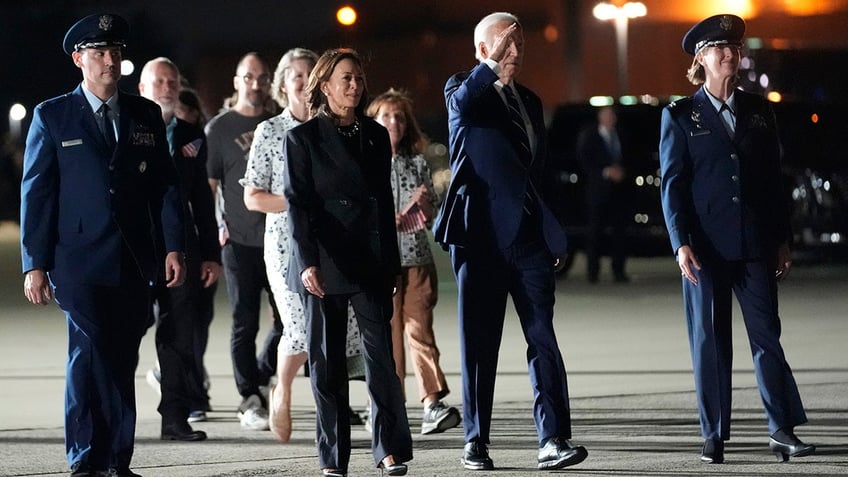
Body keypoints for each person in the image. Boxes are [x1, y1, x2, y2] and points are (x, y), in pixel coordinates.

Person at [20, 13, 185, 477]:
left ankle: (116, 458)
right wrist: (34, 263)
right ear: (79, 60)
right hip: (77, 261)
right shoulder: (52, 115)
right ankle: (85, 456)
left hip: (133, 260)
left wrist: (175, 247)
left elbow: (166, 188)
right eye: (99, 53)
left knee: (122, 354)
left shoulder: (144, 115)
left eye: (115, 52)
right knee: (91, 352)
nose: (110, 61)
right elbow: (37, 193)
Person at [432, 11, 588, 472]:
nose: (515, 52)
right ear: (482, 49)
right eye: (506, 44)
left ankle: (553, 438)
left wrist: (551, 229)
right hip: (479, 238)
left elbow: (539, 173)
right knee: (480, 342)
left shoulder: (532, 101)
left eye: (519, 44)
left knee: (543, 337)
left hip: (527, 239)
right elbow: (461, 106)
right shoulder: (464, 91)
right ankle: (475, 441)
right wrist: (489, 65)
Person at [659, 14, 815, 464]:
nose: (732, 55)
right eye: (721, 49)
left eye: (736, 48)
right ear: (702, 58)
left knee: (768, 337)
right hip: (704, 249)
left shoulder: (759, 109)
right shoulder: (679, 115)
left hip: (753, 245)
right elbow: (673, 184)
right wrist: (680, 242)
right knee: (710, 342)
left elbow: (771, 181)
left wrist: (782, 238)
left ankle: (781, 429)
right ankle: (714, 432)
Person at [283, 48, 412, 477]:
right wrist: (306, 262)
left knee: (382, 365)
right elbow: (299, 206)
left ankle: (389, 450)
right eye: (345, 79)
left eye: (358, 77)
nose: (355, 85)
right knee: (327, 366)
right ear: (324, 86)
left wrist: (391, 263)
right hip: (324, 261)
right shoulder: (302, 139)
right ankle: (333, 458)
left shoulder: (375, 135)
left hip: (370, 261)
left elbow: (383, 201)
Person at [241, 47, 364, 443]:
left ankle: (332, 405)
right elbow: (253, 196)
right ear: (282, 85)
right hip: (286, 243)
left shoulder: (336, 129)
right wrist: (299, 203)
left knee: (342, 326)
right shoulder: (270, 131)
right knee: (298, 324)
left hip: (334, 240)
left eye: (312, 73)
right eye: (296, 74)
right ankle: (284, 389)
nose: (305, 79)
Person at [366, 88, 461, 435]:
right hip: (381, 263)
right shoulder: (364, 161)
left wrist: (424, 204)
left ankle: (432, 403)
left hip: (417, 258)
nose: (395, 122)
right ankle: (389, 406)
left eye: (400, 117)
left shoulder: (418, 162)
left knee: (420, 330)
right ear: (373, 121)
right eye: (387, 116)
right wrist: (393, 216)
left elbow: (432, 213)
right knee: (387, 337)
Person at [138, 57, 222, 441]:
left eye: (172, 81)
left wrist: (210, 255)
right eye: (159, 82)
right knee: (128, 332)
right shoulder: (127, 129)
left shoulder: (192, 135)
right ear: (142, 89)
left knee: (178, 336)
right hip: (137, 247)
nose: (167, 88)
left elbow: (203, 203)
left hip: (184, 250)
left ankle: (175, 416)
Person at [206, 52, 283, 431]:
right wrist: (213, 233)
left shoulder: (279, 123)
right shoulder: (219, 129)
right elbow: (210, 187)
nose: (255, 84)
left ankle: (262, 372)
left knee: (289, 321)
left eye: (262, 77)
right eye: (248, 77)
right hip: (237, 241)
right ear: (236, 81)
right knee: (243, 322)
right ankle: (249, 397)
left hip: (279, 242)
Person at [576, 106, 630, 283]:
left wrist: (622, 172)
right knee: (595, 232)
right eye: (606, 116)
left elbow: (630, 157)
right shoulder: (590, 136)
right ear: (600, 118)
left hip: (619, 192)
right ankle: (593, 272)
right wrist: (606, 172)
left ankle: (619, 271)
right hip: (598, 192)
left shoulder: (621, 134)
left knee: (619, 233)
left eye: (612, 116)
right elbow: (584, 161)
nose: (610, 119)